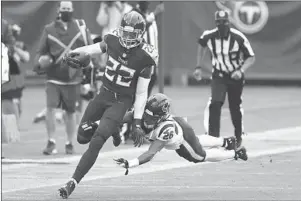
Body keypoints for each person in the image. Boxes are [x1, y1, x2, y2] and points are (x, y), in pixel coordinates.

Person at [58, 10, 158, 199]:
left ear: (140, 35)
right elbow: (93, 49)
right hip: (103, 95)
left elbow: (141, 92)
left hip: (121, 101)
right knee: (81, 137)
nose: (127, 38)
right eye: (125, 32)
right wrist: (74, 53)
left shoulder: (146, 57)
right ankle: (114, 127)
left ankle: (72, 182)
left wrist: (136, 121)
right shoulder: (112, 40)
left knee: (96, 141)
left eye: (132, 34)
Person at [114, 93, 247, 174]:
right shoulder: (141, 113)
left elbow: (150, 153)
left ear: (160, 116)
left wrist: (130, 163)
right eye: (145, 113)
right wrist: (98, 125)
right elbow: (116, 118)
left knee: (200, 156)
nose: (146, 117)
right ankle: (226, 142)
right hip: (180, 124)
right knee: (197, 140)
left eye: (151, 116)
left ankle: (236, 153)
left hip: (180, 141)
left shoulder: (165, 129)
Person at [33, 1, 96, 155]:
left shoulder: (80, 27)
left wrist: (88, 81)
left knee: (70, 112)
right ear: (58, 10)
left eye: (69, 9)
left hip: (73, 78)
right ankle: (51, 142)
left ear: (72, 10)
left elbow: (89, 52)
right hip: (53, 77)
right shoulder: (49, 29)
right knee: (50, 109)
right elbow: (40, 52)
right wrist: (41, 62)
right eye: (64, 9)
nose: (66, 11)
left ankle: (69, 143)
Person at [193, 10, 255, 148]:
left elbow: (251, 57)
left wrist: (241, 70)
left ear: (229, 22)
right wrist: (198, 66)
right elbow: (201, 45)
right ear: (215, 23)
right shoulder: (209, 36)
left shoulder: (238, 37)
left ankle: (238, 135)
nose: (222, 25)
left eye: (224, 22)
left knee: (234, 107)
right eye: (219, 22)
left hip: (235, 76)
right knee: (215, 103)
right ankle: (214, 137)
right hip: (219, 75)